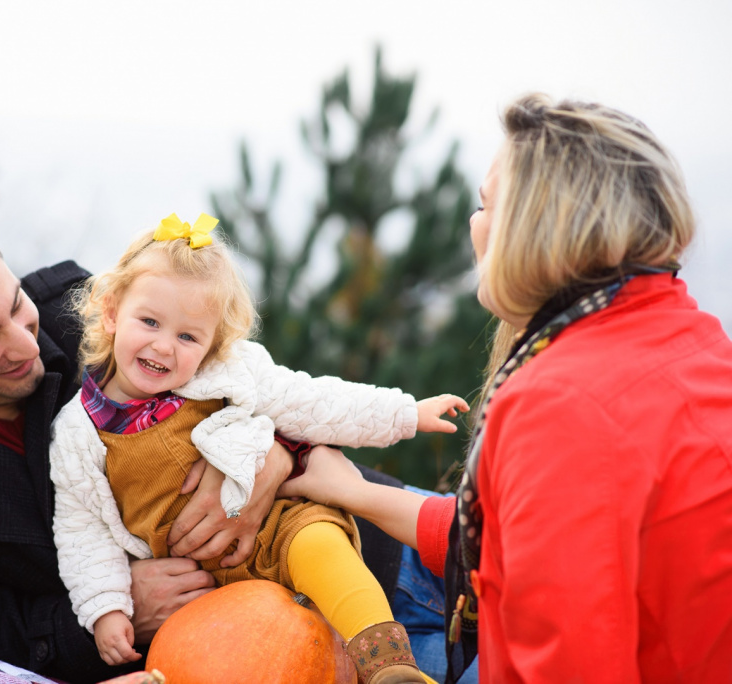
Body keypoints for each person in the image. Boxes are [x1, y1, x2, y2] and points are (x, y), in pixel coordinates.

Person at [0, 207, 465, 684]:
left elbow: (275, 389)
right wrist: (113, 605)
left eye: (16, 306)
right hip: (267, 646)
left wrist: (271, 458)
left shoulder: (103, 313)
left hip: (378, 539)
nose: (27, 345)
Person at [278, 93, 732, 684]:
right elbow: (509, 543)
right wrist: (358, 492)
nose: (474, 225)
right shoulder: (694, 338)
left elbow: (563, 662)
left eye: (484, 206)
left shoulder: (562, 404)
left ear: (534, 232)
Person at [49, 212, 470, 684]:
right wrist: (106, 609)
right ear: (110, 313)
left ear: (211, 345)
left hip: (277, 524)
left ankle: (391, 665)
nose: (165, 346)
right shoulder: (77, 434)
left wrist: (405, 414)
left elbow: (316, 401)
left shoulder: (225, 376)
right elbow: (82, 533)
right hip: (212, 589)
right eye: (149, 322)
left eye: (188, 336)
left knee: (322, 547)